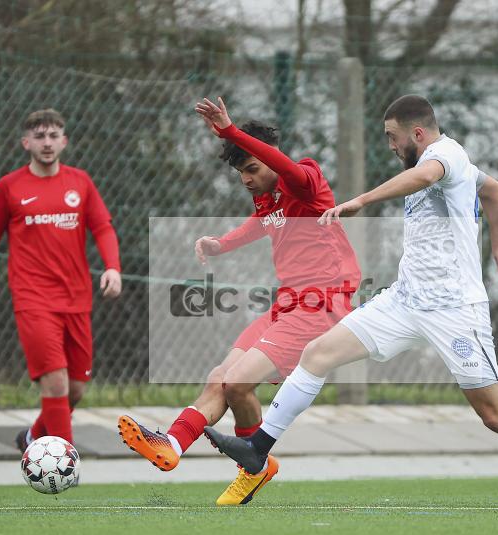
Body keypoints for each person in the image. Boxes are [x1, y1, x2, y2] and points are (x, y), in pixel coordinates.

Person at [205, 94, 498, 507]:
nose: (391, 146)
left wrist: (362, 200)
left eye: (393, 138)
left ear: (418, 133)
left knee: (496, 415)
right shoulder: (451, 166)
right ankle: (258, 447)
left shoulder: (445, 154)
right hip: (404, 300)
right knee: (317, 353)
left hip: (454, 308)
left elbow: (425, 177)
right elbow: (494, 192)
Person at [118, 97, 361, 505]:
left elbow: (284, 168)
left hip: (321, 306)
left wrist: (232, 131)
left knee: (237, 383)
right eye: (240, 173)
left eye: (252, 168)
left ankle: (256, 464)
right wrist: (220, 244)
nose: (246, 179)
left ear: (271, 160)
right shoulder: (267, 197)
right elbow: (261, 223)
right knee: (221, 376)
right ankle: (172, 446)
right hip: (286, 302)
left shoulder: (304, 181)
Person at [0, 108, 122, 451]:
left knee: (76, 388)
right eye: (39, 136)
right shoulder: (10, 187)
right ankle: (64, 461)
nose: (47, 143)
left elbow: (102, 227)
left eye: (53, 136)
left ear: (64, 141)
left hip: (77, 298)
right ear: (26, 143)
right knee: (55, 383)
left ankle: (33, 436)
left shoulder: (80, 182)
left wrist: (112, 266)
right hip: (32, 299)